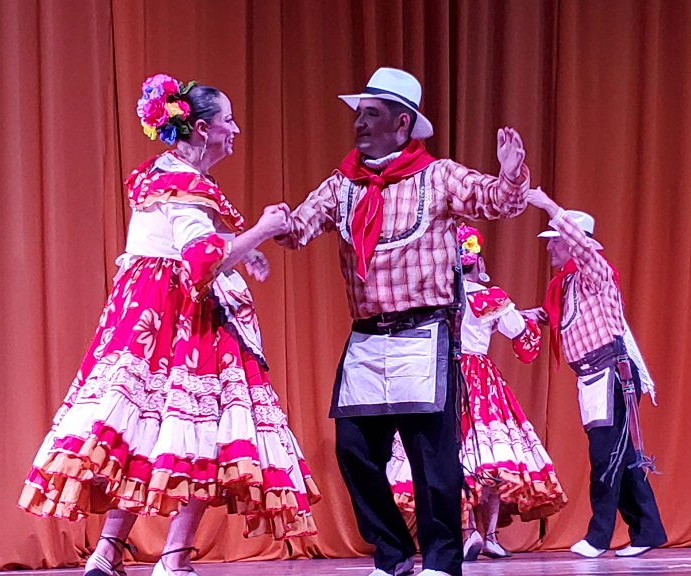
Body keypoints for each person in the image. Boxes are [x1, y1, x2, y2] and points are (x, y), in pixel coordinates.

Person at [18, 73, 319, 576]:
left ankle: (108, 551)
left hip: (143, 315)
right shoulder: (186, 184)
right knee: (201, 433)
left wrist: (244, 253)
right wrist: (263, 231)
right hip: (182, 318)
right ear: (201, 129)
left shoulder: (164, 173)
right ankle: (172, 560)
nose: (236, 130)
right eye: (227, 121)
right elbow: (202, 261)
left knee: (149, 431)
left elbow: (204, 236)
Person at [275, 67, 531, 576]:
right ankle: (392, 554)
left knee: (431, 458)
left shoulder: (437, 176)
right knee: (355, 452)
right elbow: (298, 228)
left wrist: (511, 173)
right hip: (368, 338)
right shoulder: (343, 184)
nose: (359, 125)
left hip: (423, 332)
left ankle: (440, 559)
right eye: (359, 115)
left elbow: (500, 202)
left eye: (372, 115)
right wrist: (264, 230)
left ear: (402, 123)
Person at [387, 225, 567, 562]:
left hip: (441, 376)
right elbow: (518, 333)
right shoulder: (490, 296)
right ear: (476, 261)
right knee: (491, 457)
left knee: (451, 454)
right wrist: (525, 320)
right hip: (479, 378)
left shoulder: (438, 295)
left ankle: (467, 532)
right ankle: (491, 535)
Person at [524, 187, 666, 558]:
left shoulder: (595, 274)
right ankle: (648, 529)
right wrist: (521, 317)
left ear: (573, 243)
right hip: (591, 376)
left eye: (555, 241)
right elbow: (556, 317)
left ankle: (599, 536)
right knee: (617, 455)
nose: (549, 248)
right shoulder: (567, 285)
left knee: (606, 455)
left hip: (612, 372)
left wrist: (548, 207)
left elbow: (587, 253)